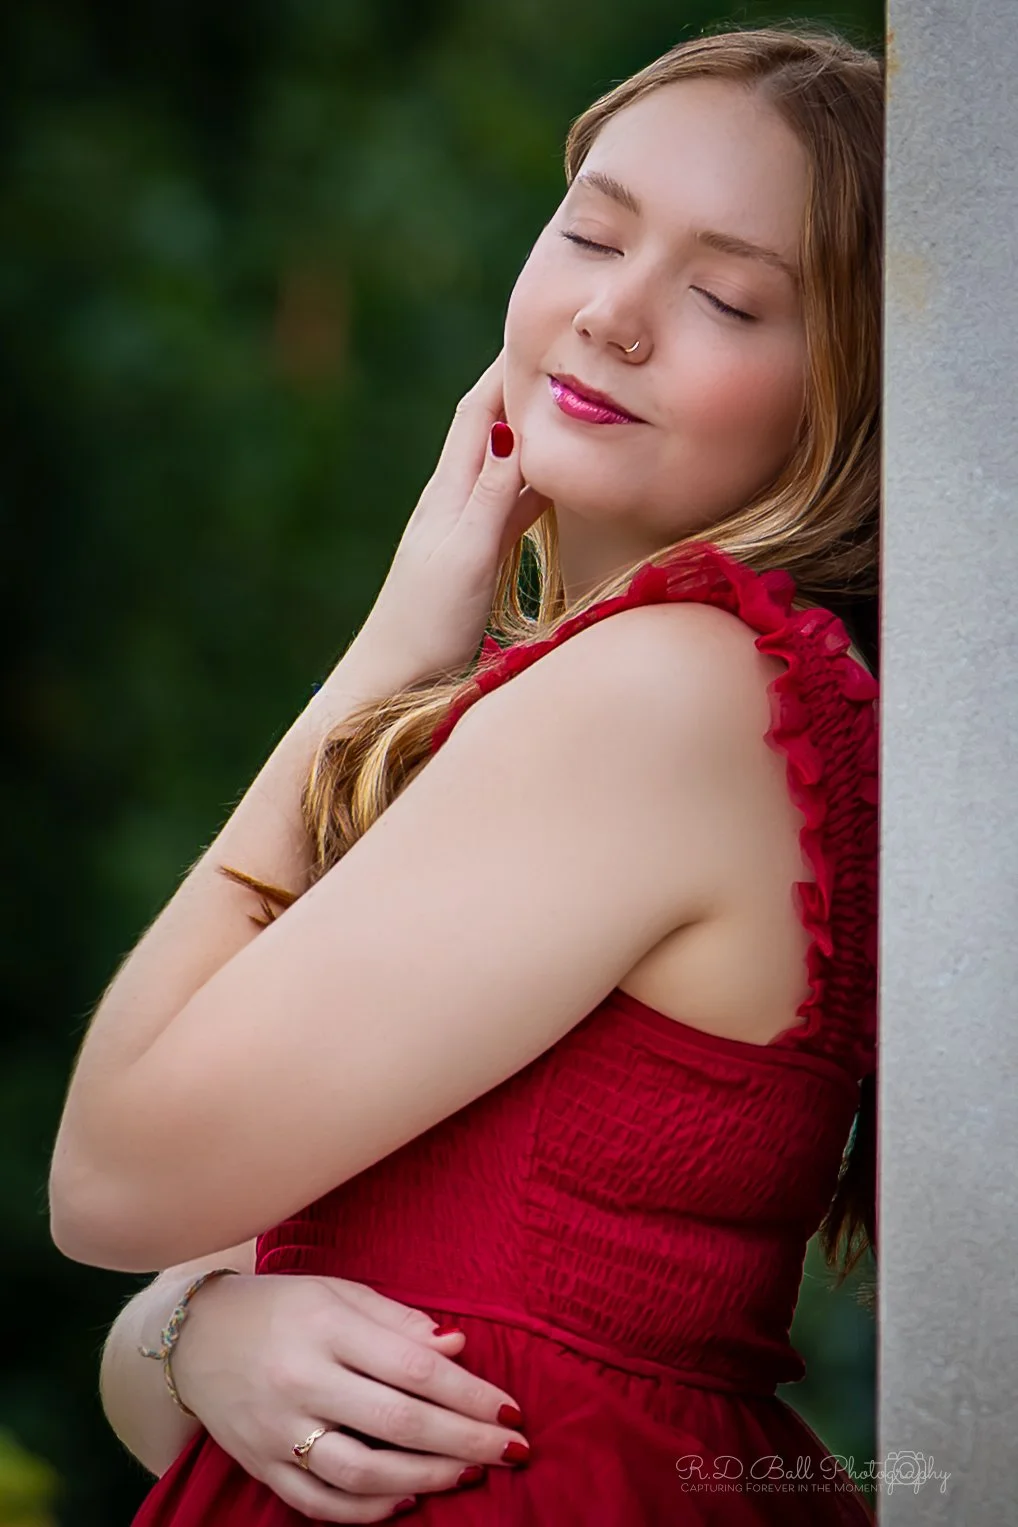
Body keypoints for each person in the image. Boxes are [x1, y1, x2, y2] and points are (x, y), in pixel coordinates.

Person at [50, 21, 883, 1525]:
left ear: (850, 401)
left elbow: (113, 1172)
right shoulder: (636, 693)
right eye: (588, 231)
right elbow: (209, 1279)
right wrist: (199, 1331)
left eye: (724, 296)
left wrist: (379, 653)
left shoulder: (670, 691)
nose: (613, 315)